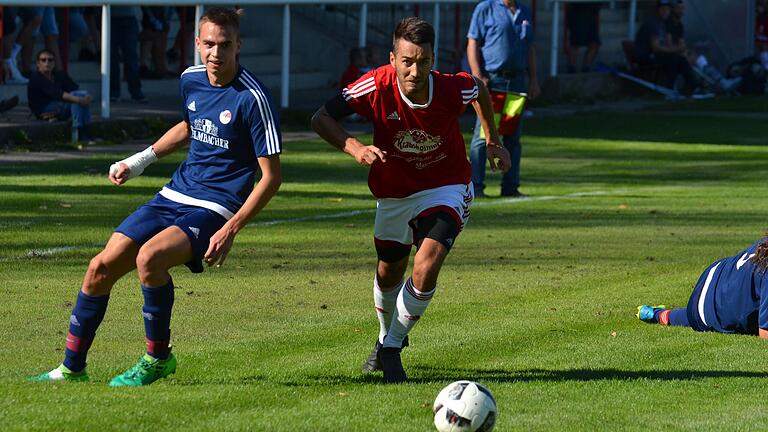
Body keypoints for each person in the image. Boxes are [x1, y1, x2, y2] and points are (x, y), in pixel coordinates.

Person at [30, 7, 282, 387]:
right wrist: (139, 161)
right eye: (209, 44)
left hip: (215, 206)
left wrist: (231, 229)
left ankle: (157, 358)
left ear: (238, 46)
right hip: (175, 193)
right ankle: (71, 369)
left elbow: (271, 178)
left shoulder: (253, 98)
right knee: (100, 267)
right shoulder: (190, 80)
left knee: (150, 259)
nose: (216, 53)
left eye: (225, 45)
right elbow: (189, 125)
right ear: (197, 44)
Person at [311, 17, 510, 383]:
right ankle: (386, 335)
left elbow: (479, 89)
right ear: (393, 58)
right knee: (389, 271)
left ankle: (391, 347)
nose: (414, 70)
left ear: (433, 60)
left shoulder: (451, 89)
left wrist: (492, 139)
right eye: (406, 61)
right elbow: (321, 117)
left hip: (446, 186)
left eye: (422, 61)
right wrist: (354, 147)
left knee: (426, 263)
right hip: (394, 192)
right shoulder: (374, 85)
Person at [466, 0, 540, 198]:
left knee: (513, 136)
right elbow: (473, 42)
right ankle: (476, 186)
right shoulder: (486, 8)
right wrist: (477, 75)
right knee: (484, 134)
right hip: (493, 81)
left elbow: (530, 47)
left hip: (517, 81)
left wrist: (533, 78)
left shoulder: (524, 10)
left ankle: (510, 186)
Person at [637, 237, 768, 338]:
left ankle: (656, 314)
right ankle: (658, 315)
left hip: (717, 273)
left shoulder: (764, 243)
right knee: (702, 315)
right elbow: (764, 333)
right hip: (707, 308)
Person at [27, 49, 95, 143]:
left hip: (60, 106)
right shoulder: (36, 78)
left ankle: (85, 132)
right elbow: (58, 93)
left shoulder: (58, 75)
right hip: (44, 110)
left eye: (50, 60)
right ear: (38, 63)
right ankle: (80, 132)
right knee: (76, 101)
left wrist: (87, 96)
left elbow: (74, 89)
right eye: (43, 60)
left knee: (79, 97)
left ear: (54, 63)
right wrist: (80, 100)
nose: (47, 62)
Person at [633, 0, 698, 95]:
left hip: (655, 55)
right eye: (663, 9)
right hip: (645, 56)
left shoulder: (662, 24)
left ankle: (692, 86)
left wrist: (680, 50)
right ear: (657, 10)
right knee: (673, 59)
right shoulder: (652, 23)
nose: (665, 12)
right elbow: (656, 47)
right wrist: (676, 49)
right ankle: (669, 90)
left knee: (680, 59)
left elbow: (666, 44)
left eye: (667, 10)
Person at [110, 7, 147, 103]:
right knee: (112, 58)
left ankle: (136, 91)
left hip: (129, 18)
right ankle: (114, 92)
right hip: (110, 17)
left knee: (131, 56)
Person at [565, 2, 601, 73]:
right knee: (575, 43)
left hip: (590, 15)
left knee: (595, 44)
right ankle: (571, 69)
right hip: (577, 14)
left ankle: (585, 68)